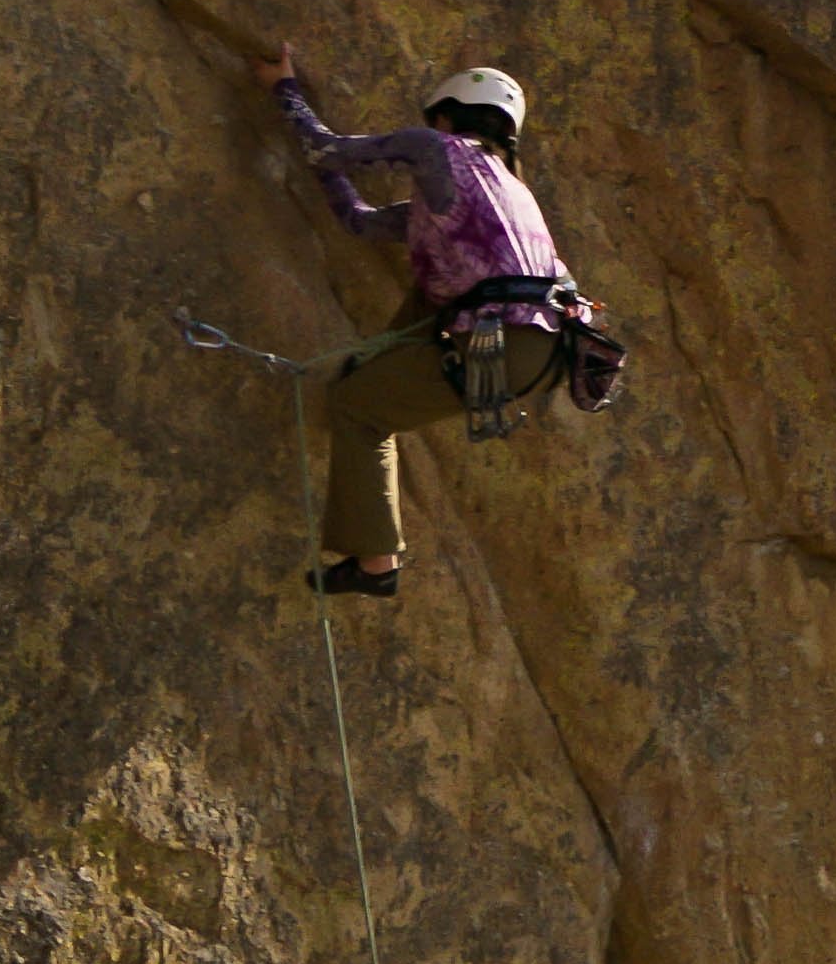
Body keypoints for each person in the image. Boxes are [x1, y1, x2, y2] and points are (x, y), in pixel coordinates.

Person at [262, 43, 623, 595]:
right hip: (546, 349)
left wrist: (282, 87)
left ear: (446, 115)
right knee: (378, 370)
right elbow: (359, 222)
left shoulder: (435, 147)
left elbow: (324, 150)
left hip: (503, 340)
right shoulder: (507, 193)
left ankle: (377, 565)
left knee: (358, 410)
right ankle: (372, 370)